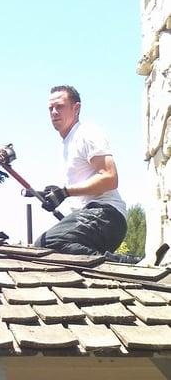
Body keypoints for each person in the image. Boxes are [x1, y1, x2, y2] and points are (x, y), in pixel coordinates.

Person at [33, 85, 140, 264]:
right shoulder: (66, 144)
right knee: (46, 247)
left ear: (76, 108)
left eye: (59, 106)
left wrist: (65, 192)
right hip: (93, 216)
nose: (53, 112)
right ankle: (110, 262)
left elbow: (110, 178)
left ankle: (124, 263)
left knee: (49, 242)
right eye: (50, 108)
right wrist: (57, 195)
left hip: (106, 215)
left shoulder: (86, 133)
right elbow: (81, 190)